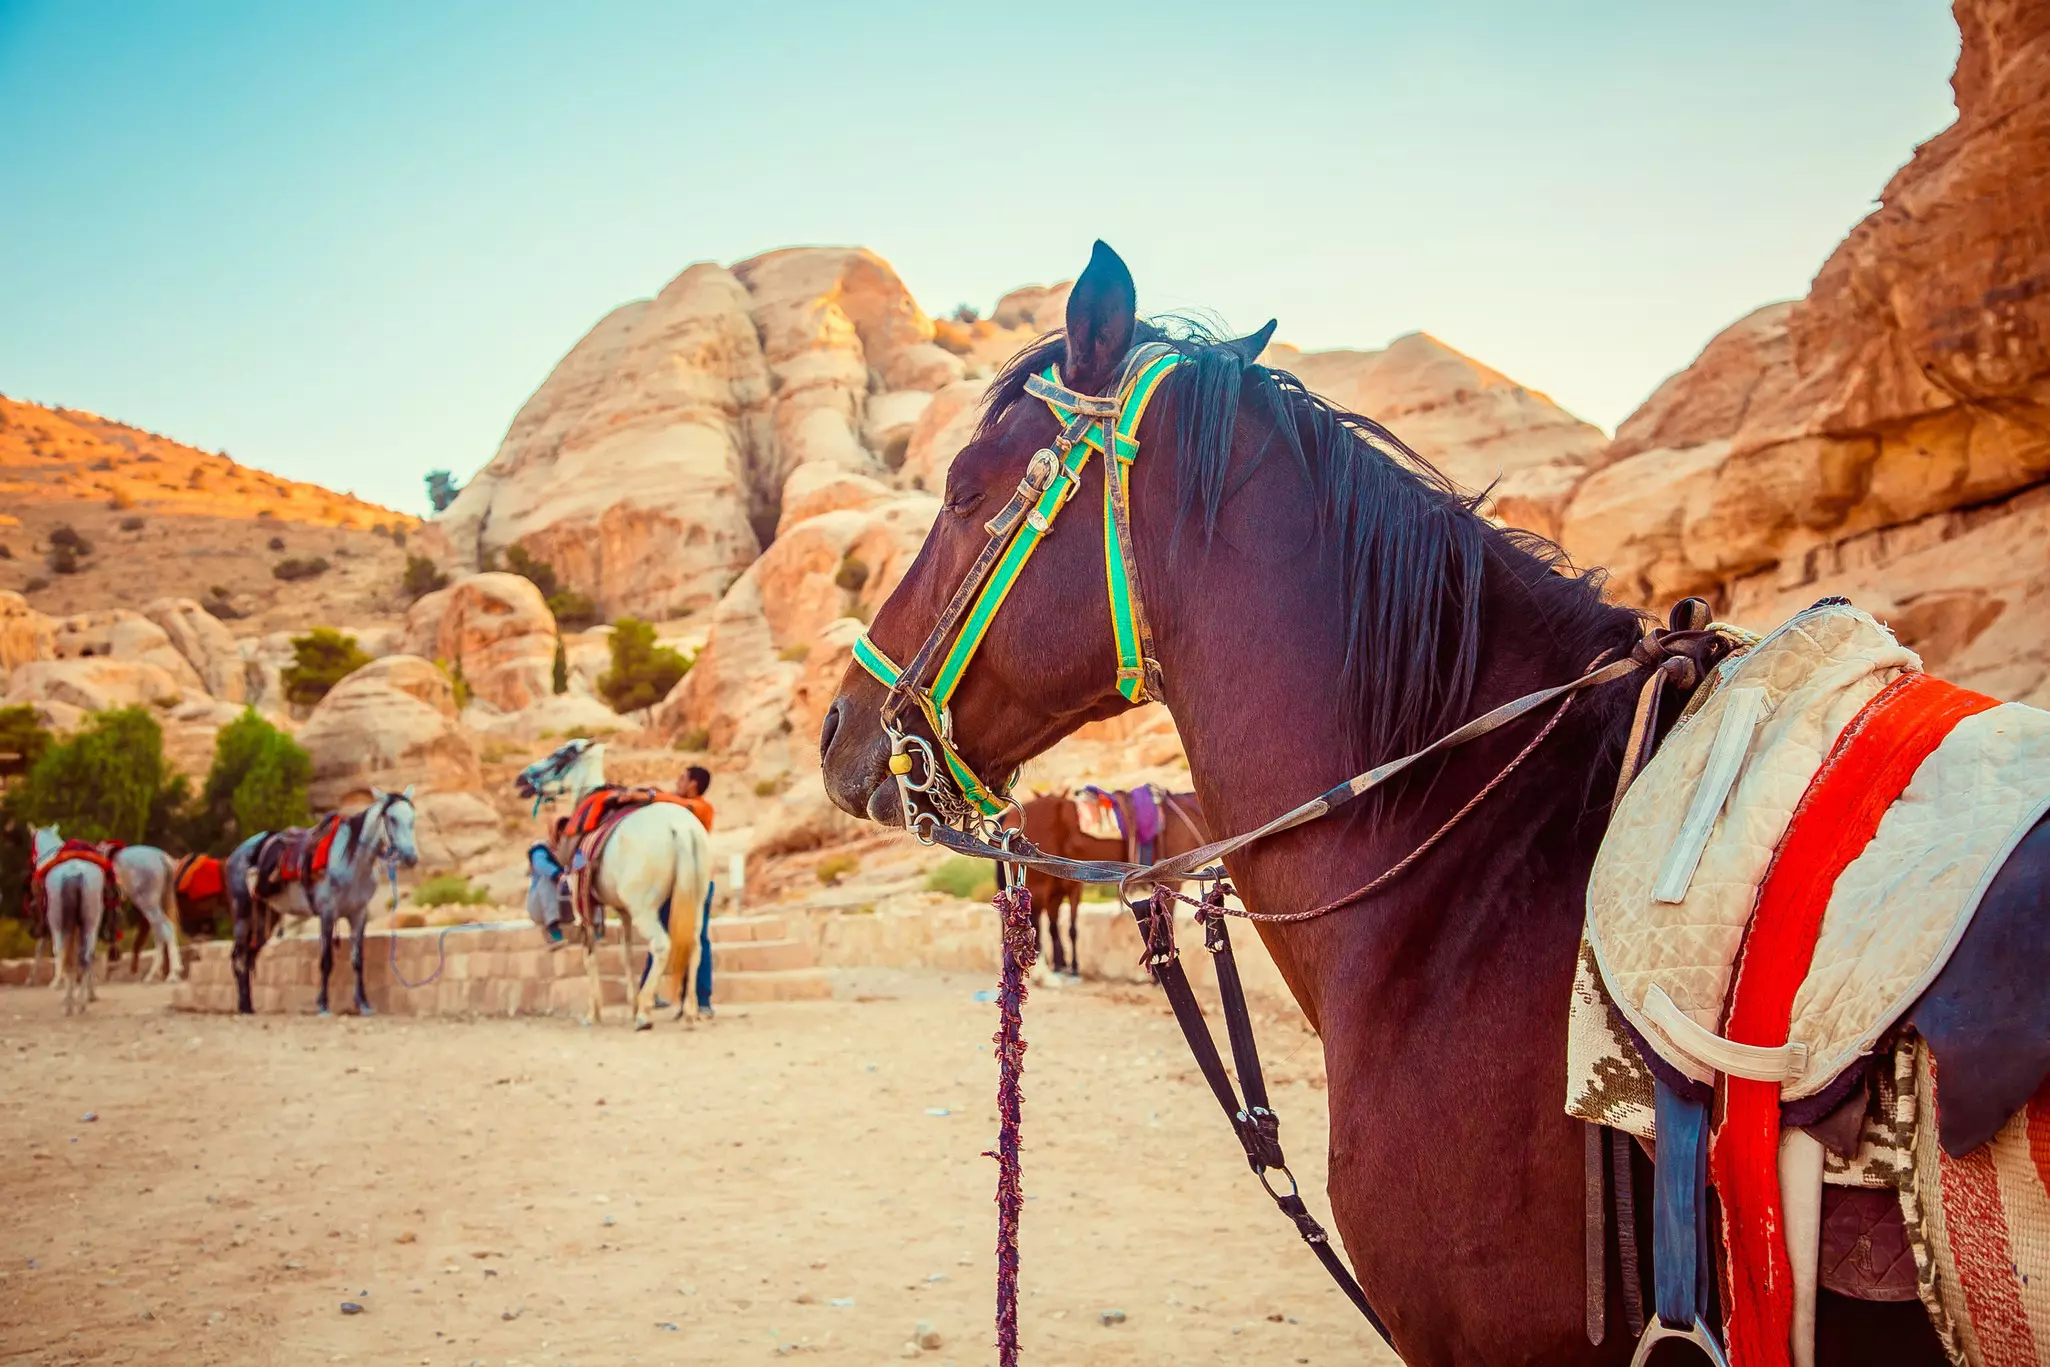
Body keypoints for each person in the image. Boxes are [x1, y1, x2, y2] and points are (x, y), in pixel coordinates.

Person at [656, 766, 716, 1015]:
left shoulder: (703, 808)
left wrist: (652, 796)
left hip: (698, 882)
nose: (676, 781)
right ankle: (662, 992)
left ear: (692, 785)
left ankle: (702, 1000)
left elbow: (676, 803)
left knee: (697, 936)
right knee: (660, 933)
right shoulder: (675, 805)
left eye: (681, 778)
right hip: (673, 882)